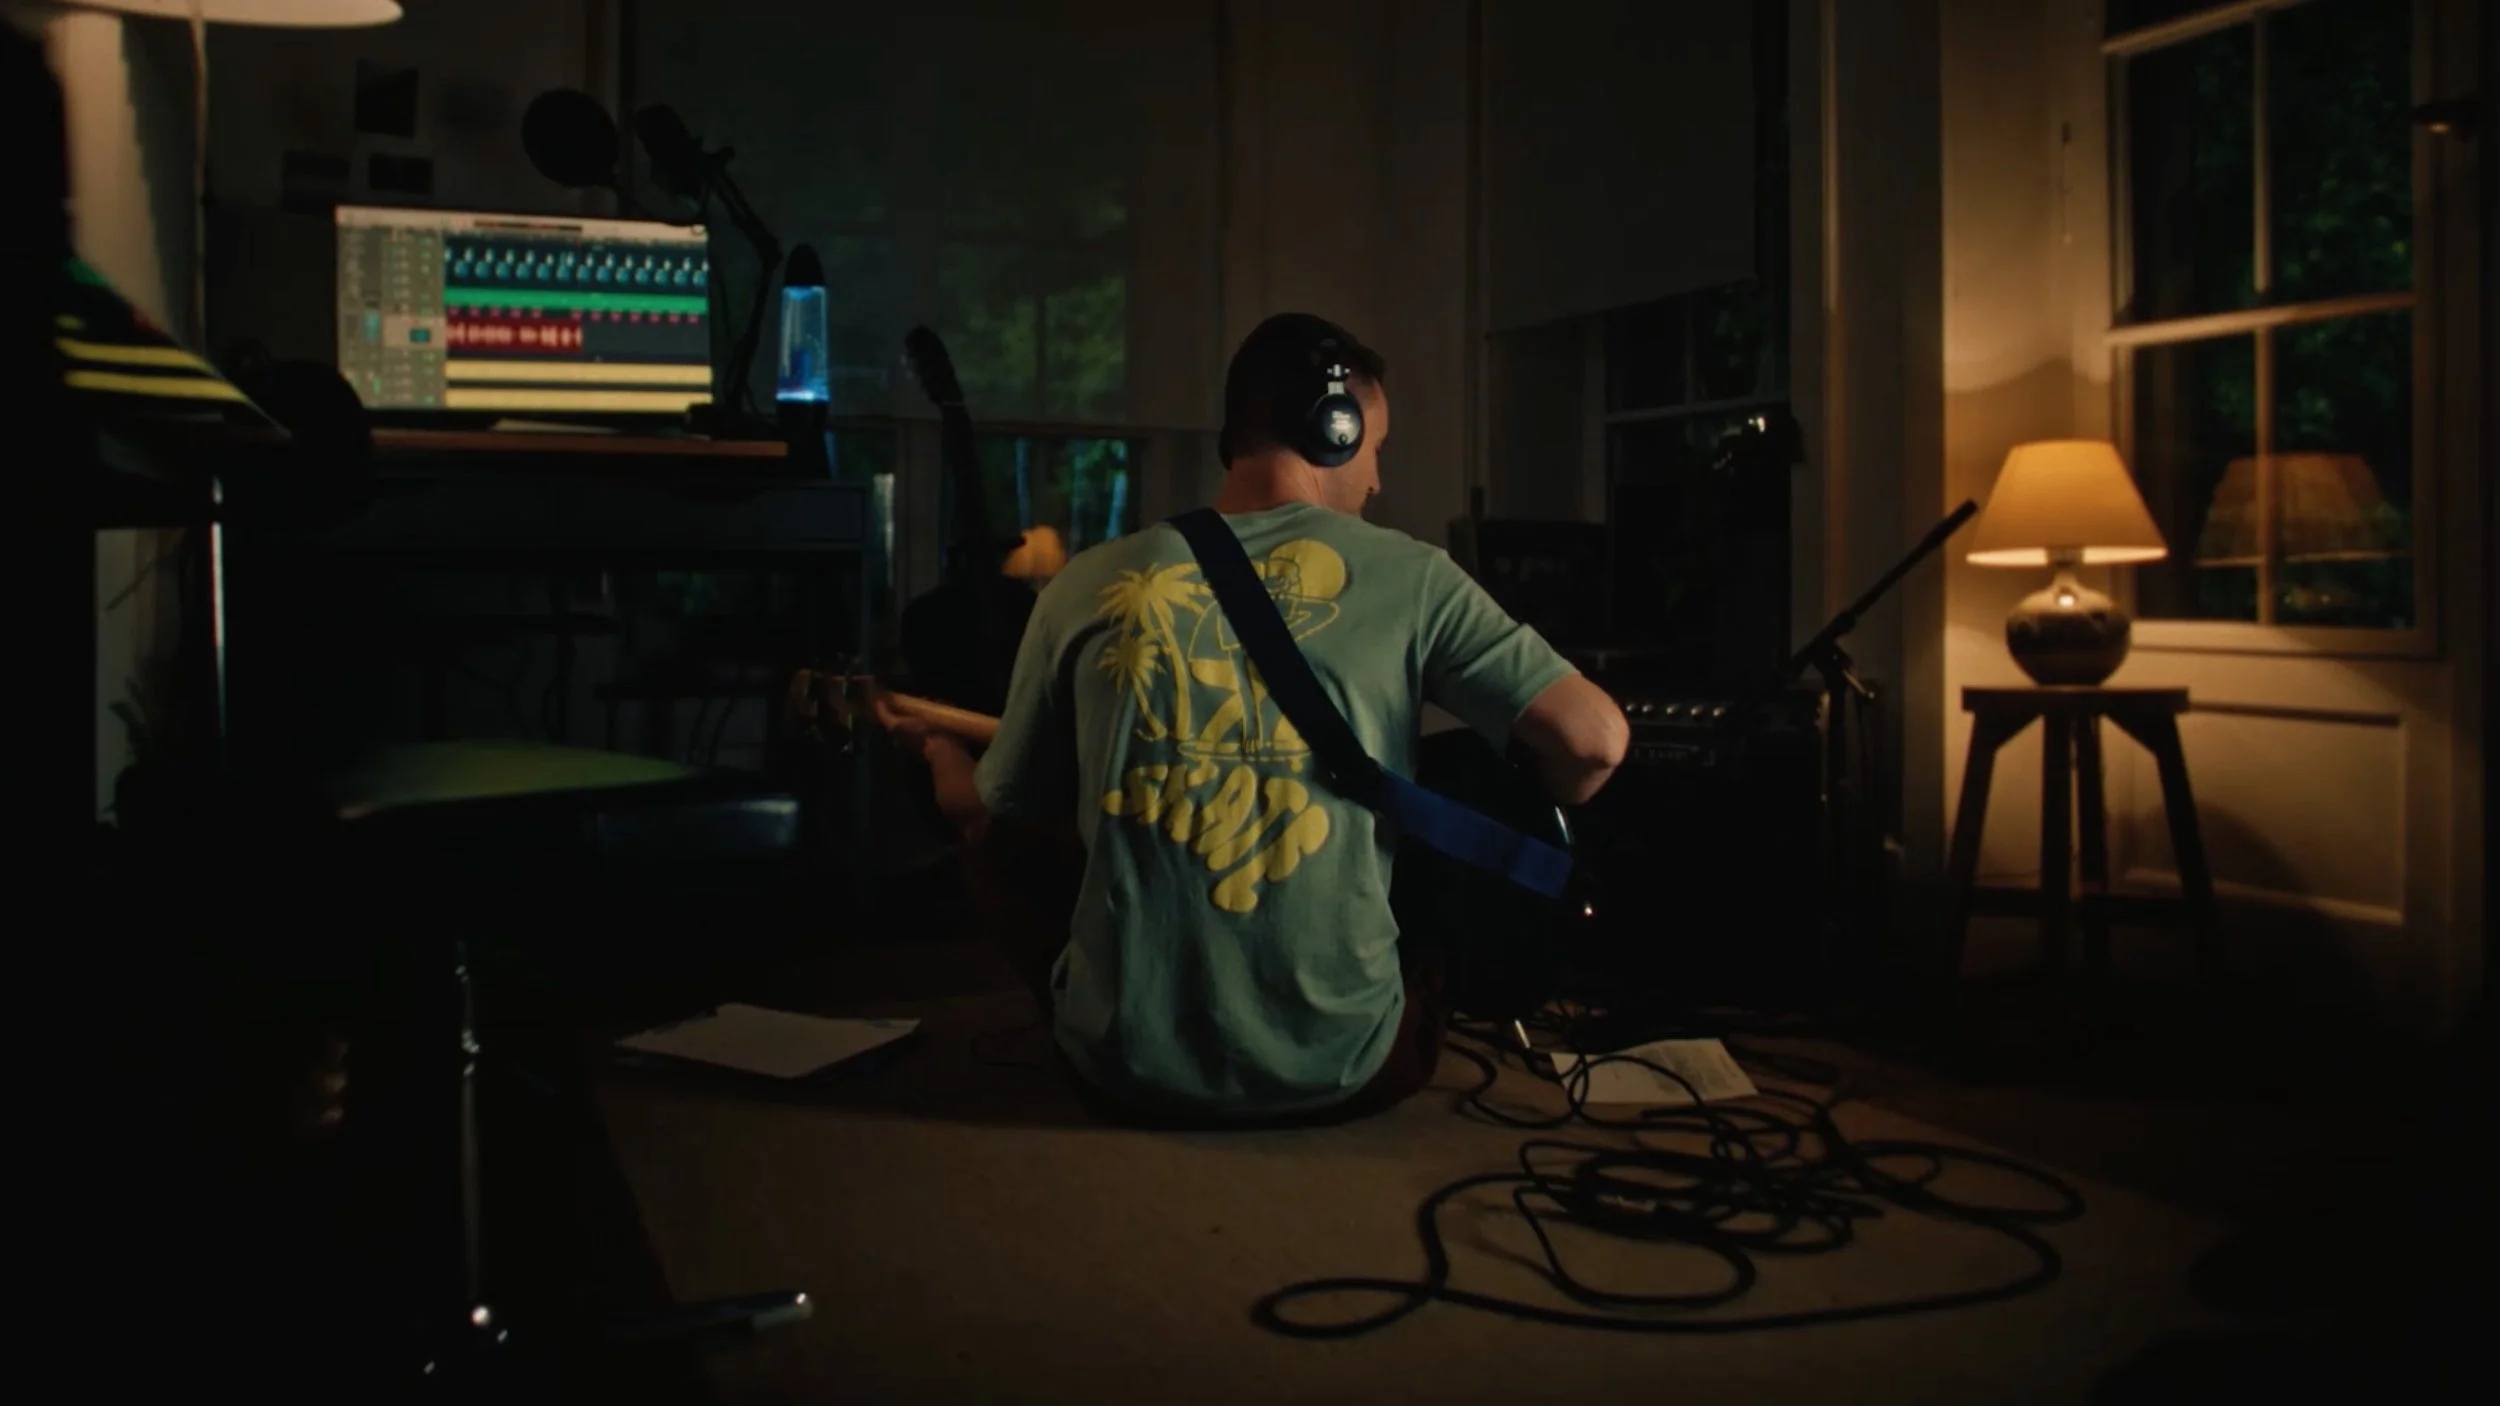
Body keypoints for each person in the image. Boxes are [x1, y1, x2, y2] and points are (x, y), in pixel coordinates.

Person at [880, 313, 1628, 1127]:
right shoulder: (1414, 577)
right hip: (1356, 1068)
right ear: (1335, 430)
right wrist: (1524, 800)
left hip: (1121, 1075)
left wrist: (939, 751)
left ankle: (1119, 1017)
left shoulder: (1087, 581)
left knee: (998, 844)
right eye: (1376, 447)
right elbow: (1593, 742)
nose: (1377, 479)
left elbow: (990, 807)